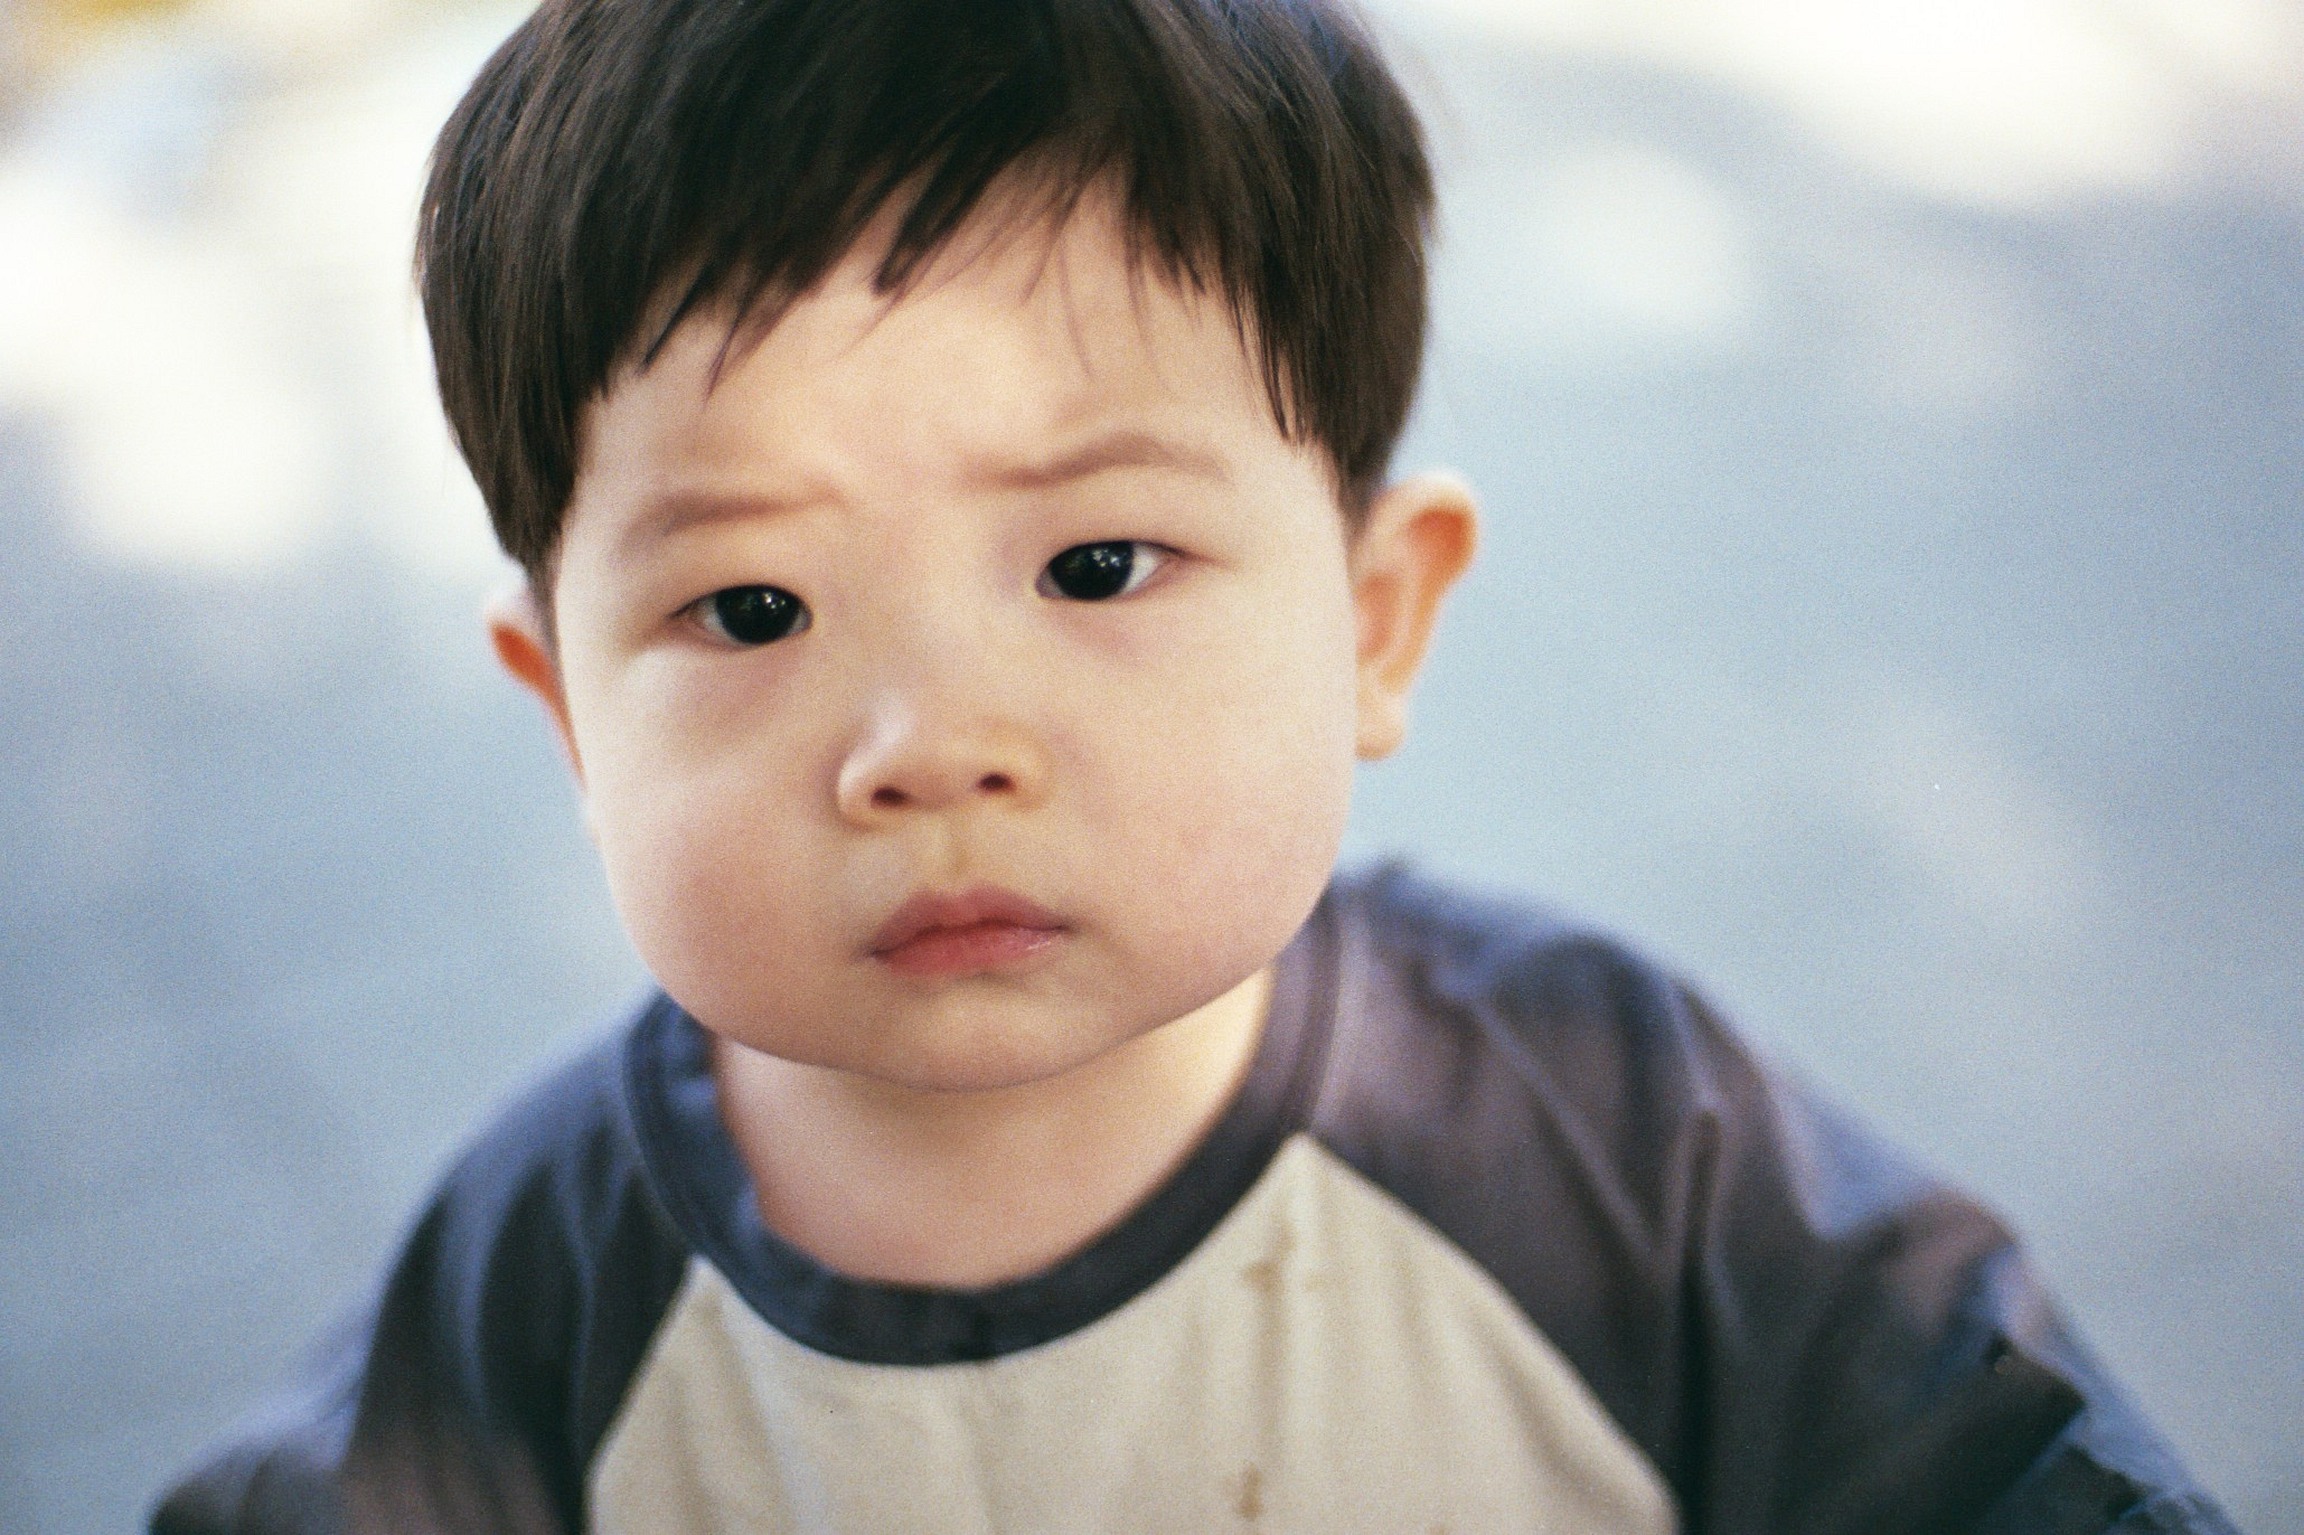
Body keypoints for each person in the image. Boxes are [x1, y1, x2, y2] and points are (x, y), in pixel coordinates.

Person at [154, 0, 2235, 1530]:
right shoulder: (541, 1308)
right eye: (755, 607)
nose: (932, 747)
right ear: (566, 715)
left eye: (1096, 564)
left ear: (1374, 617)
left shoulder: (1590, 1139)